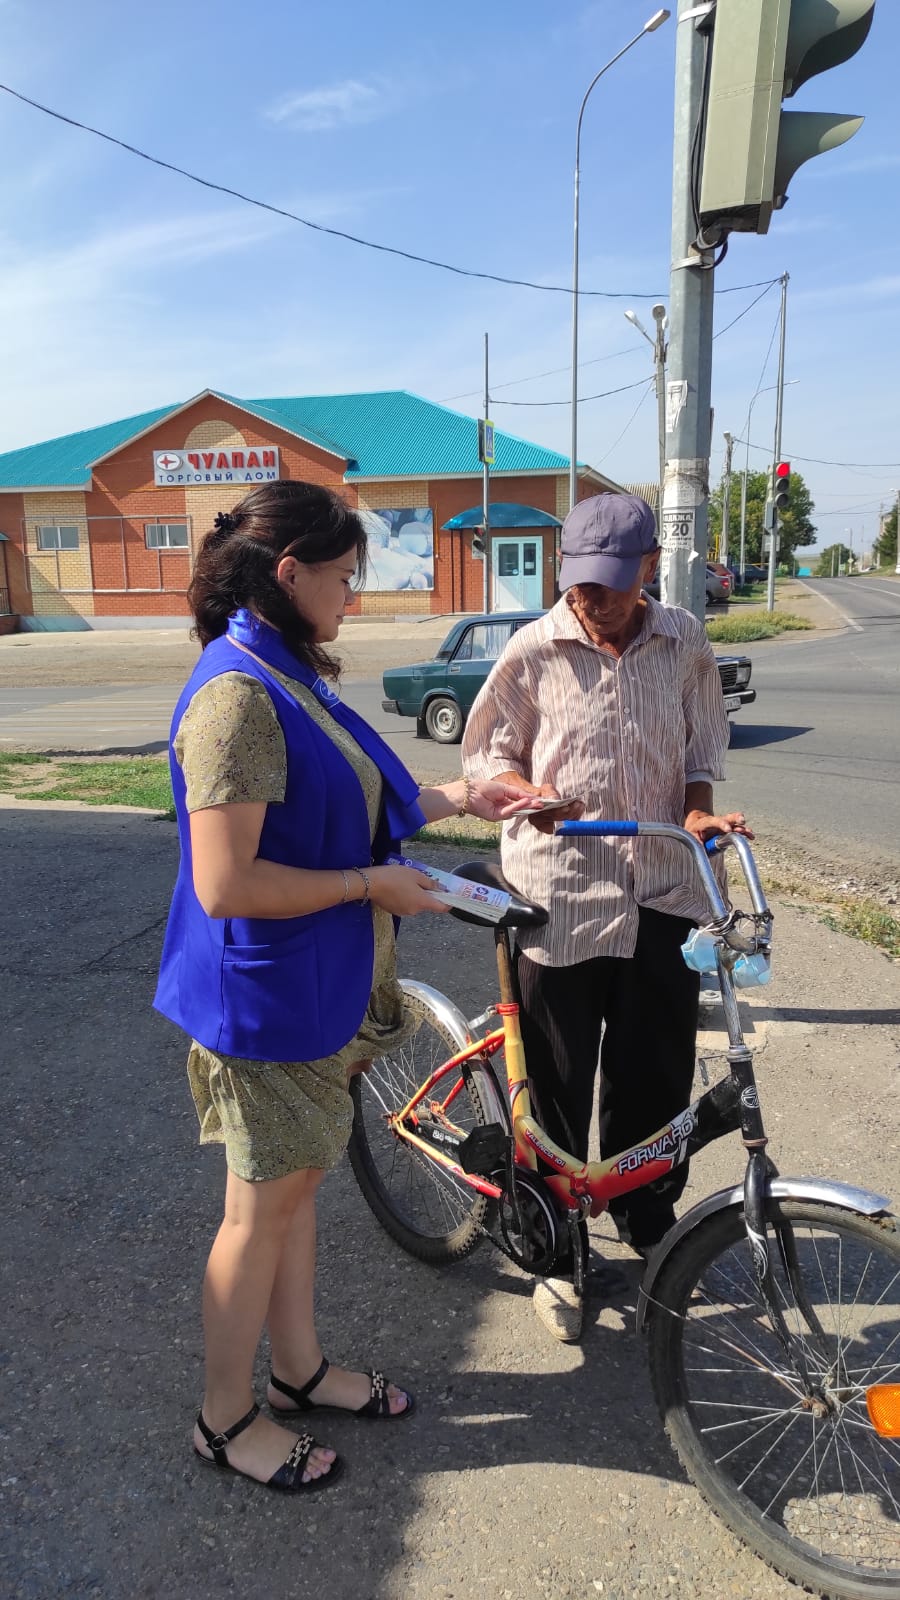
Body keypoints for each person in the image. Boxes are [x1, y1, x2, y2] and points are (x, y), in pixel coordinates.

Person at [154, 480, 529, 1493]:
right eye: (343, 575)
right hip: (267, 1006)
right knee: (257, 1212)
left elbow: (347, 804)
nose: (352, 594)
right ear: (290, 575)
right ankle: (226, 1418)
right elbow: (226, 882)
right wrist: (374, 885)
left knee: (295, 1194)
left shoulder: (285, 675)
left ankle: (300, 1366)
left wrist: (463, 794)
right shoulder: (238, 697)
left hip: (314, 992)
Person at [461, 493, 751, 1343]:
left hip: (663, 884)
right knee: (554, 1079)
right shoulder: (534, 648)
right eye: (581, 586)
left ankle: (645, 1218)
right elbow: (486, 758)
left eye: (612, 586)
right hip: (560, 895)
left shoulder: (683, 640)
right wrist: (523, 797)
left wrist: (697, 814)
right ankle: (556, 1252)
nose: (593, 602)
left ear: (649, 569)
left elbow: (702, 749)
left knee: (654, 1068)